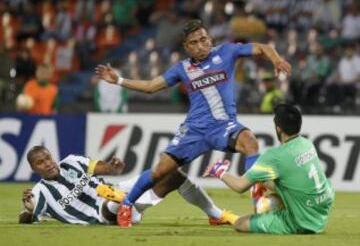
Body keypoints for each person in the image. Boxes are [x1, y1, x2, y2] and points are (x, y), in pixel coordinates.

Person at [95, 19, 292, 227]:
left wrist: (276, 60)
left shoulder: (227, 51)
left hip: (224, 127)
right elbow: (151, 87)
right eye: (194, 43)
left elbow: (263, 47)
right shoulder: (182, 68)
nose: (201, 45)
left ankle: (258, 199)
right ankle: (126, 203)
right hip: (194, 131)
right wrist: (119, 80)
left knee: (250, 142)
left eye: (203, 39)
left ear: (210, 39)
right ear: (186, 47)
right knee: (160, 171)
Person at [203, 104, 335, 234]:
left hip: (303, 222)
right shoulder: (307, 144)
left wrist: (219, 172)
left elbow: (240, 186)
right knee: (286, 182)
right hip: (324, 207)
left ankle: (267, 205)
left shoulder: (275, 156)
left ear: (278, 129)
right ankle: (264, 192)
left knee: (240, 224)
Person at [19, 146, 231, 225]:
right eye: (40, 162)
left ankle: (215, 214)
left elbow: (106, 169)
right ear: (34, 169)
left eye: (48, 158)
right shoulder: (39, 193)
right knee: (108, 205)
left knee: (172, 174)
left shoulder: (71, 162)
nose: (47, 163)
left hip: (117, 189)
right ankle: (120, 201)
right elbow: (26, 218)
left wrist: (113, 166)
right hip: (101, 215)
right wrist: (27, 210)